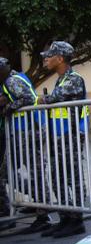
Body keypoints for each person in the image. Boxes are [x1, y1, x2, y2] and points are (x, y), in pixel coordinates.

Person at [40, 42, 88, 238]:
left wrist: (44, 99)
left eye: (49, 56)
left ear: (60, 59)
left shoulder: (73, 79)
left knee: (71, 177)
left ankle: (76, 220)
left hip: (71, 136)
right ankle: (65, 217)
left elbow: (53, 99)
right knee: (56, 176)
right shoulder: (60, 79)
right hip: (58, 137)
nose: (45, 59)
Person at [1, 57, 48, 234]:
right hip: (24, 131)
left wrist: (9, 108)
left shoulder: (12, 80)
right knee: (12, 172)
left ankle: (42, 214)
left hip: (28, 131)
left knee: (32, 172)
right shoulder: (13, 79)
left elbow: (28, 98)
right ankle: (37, 205)